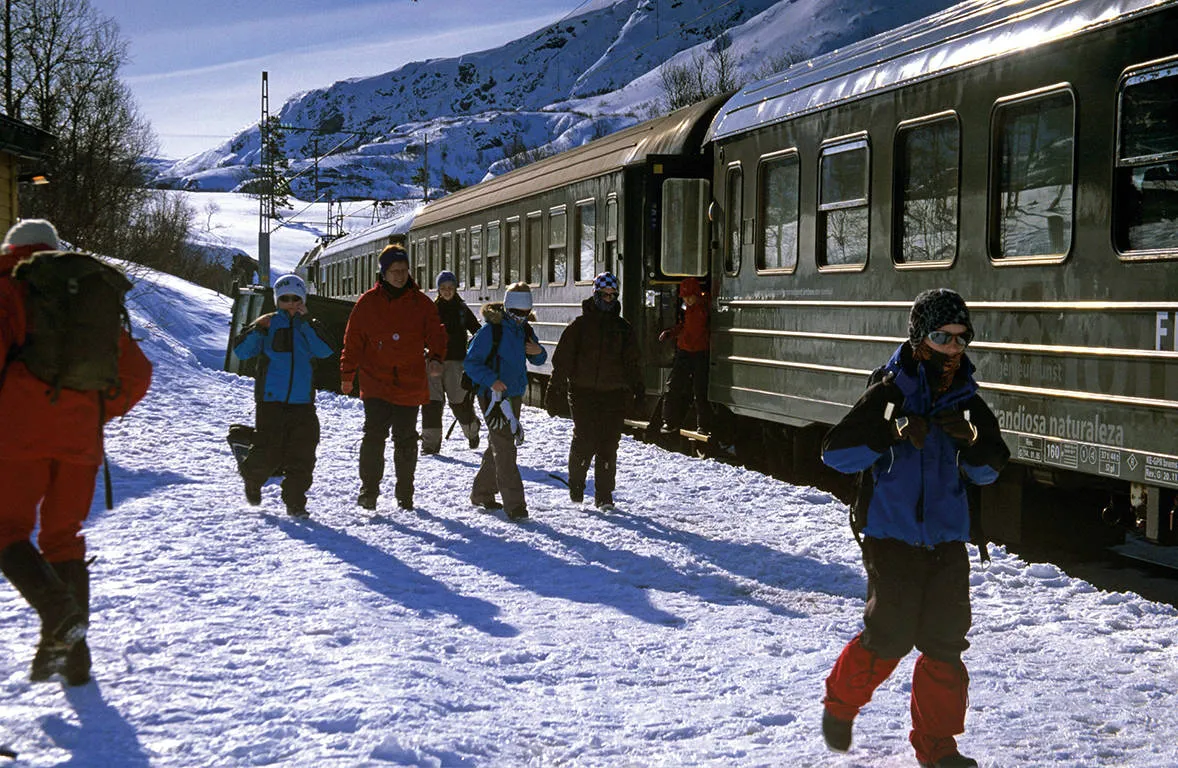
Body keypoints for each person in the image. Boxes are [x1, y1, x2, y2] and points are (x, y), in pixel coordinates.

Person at [819, 288, 1010, 768]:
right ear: (919, 337)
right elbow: (835, 453)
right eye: (942, 336)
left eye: (961, 338)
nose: (952, 347)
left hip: (947, 540)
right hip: (891, 537)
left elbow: (990, 469)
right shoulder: (888, 391)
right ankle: (839, 707)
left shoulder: (968, 401)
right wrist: (888, 433)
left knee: (944, 645)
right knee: (889, 637)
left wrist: (971, 444)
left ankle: (938, 749)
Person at [0, 219, 152, 686]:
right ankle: (74, 658)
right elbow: (138, 372)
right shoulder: (89, 295)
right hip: (81, 438)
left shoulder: (8, 289)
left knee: (6, 528)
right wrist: (94, 411)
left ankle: (57, 612)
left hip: (18, 431)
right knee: (64, 537)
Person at [340, 245, 447, 511]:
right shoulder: (368, 303)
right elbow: (352, 341)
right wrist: (347, 374)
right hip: (375, 381)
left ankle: (405, 492)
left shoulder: (421, 303)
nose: (400, 275)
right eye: (394, 271)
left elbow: (437, 333)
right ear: (383, 272)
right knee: (374, 436)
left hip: (409, 383)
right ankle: (369, 490)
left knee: (406, 439)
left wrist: (436, 358)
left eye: (403, 270)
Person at [233, 273, 333, 518]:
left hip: (302, 403)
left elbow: (325, 350)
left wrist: (308, 321)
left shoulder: (308, 325)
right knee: (270, 451)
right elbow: (242, 351)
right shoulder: (267, 324)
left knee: (303, 454)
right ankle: (252, 477)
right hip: (271, 401)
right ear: (277, 301)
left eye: (295, 298)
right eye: (285, 299)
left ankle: (295, 502)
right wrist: (258, 327)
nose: (290, 304)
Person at [547, 272, 642, 510]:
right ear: (596, 294)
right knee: (585, 439)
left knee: (608, 444)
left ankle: (604, 495)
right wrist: (554, 388)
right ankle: (577, 483)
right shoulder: (579, 327)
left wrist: (638, 388)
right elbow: (563, 360)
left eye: (612, 296)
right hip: (582, 391)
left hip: (614, 393)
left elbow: (632, 362)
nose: (608, 300)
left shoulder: (623, 329)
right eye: (604, 295)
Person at [464, 282, 547, 520]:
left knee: (500, 444)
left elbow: (540, 360)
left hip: (513, 395)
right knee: (505, 447)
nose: (521, 318)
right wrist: (492, 381)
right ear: (508, 309)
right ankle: (516, 505)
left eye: (525, 313)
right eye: (516, 314)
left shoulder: (525, 330)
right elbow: (471, 363)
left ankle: (482, 492)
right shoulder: (492, 331)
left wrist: (538, 351)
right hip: (493, 396)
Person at [421, 270, 481, 455]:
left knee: (459, 402)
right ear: (438, 289)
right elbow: (422, 334)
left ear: (455, 288)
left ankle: (472, 431)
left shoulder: (462, 310)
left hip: (456, 362)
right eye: (443, 288)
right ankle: (430, 444)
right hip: (434, 362)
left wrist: (475, 351)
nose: (447, 291)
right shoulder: (430, 310)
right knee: (432, 403)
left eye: (450, 287)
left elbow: (477, 331)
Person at [657, 276, 711, 435]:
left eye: (690, 296)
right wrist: (670, 333)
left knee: (698, 389)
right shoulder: (689, 309)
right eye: (685, 297)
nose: (687, 299)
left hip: (698, 352)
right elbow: (683, 327)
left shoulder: (703, 308)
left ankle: (701, 425)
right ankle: (670, 421)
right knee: (677, 385)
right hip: (687, 351)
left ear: (696, 294)